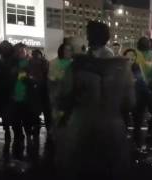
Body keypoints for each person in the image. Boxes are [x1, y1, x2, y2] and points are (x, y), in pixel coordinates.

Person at [54, 21, 135, 180]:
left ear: (89, 38)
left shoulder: (77, 66)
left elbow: (63, 98)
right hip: (113, 130)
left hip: (82, 129)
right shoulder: (122, 67)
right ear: (107, 38)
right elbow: (131, 102)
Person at [123, 48, 152, 149]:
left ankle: (136, 145)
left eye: (133, 56)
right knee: (124, 122)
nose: (130, 58)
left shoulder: (138, 67)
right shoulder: (120, 68)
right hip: (125, 100)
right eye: (128, 56)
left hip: (138, 99)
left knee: (137, 123)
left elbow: (142, 82)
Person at [29, 49, 51, 140]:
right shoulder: (45, 62)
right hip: (42, 89)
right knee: (44, 112)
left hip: (39, 89)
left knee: (38, 112)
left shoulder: (31, 62)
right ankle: (47, 129)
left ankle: (37, 128)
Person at [0, 40, 14, 140]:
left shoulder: (12, 60)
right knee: (5, 111)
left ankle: (9, 128)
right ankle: (7, 128)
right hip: (3, 90)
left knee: (10, 111)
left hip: (10, 88)